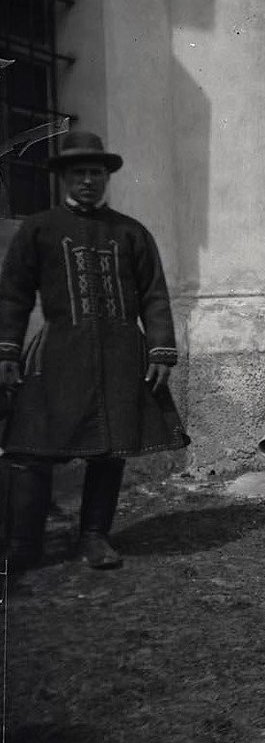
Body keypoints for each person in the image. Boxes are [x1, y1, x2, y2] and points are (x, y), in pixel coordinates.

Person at [0, 131, 188, 572]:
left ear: (106, 178)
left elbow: (154, 294)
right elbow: (13, 295)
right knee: (31, 448)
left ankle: (94, 536)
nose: (88, 180)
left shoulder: (130, 232)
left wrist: (161, 351)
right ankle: (24, 543)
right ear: (64, 177)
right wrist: (7, 351)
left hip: (121, 356)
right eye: (79, 172)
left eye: (96, 173)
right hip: (58, 355)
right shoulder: (39, 229)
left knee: (110, 448)